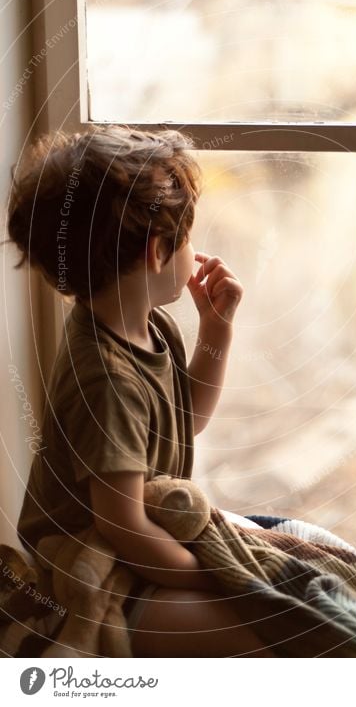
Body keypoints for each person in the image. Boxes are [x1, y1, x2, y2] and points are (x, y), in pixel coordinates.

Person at [6, 124, 275, 657]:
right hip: (93, 563)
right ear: (157, 252)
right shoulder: (105, 379)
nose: (197, 254)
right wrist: (212, 577)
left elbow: (185, 420)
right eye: (189, 238)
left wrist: (217, 331)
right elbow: (122, 524)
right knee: (256, 634)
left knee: (274, 593)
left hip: (137, 542)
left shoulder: (149, 323)